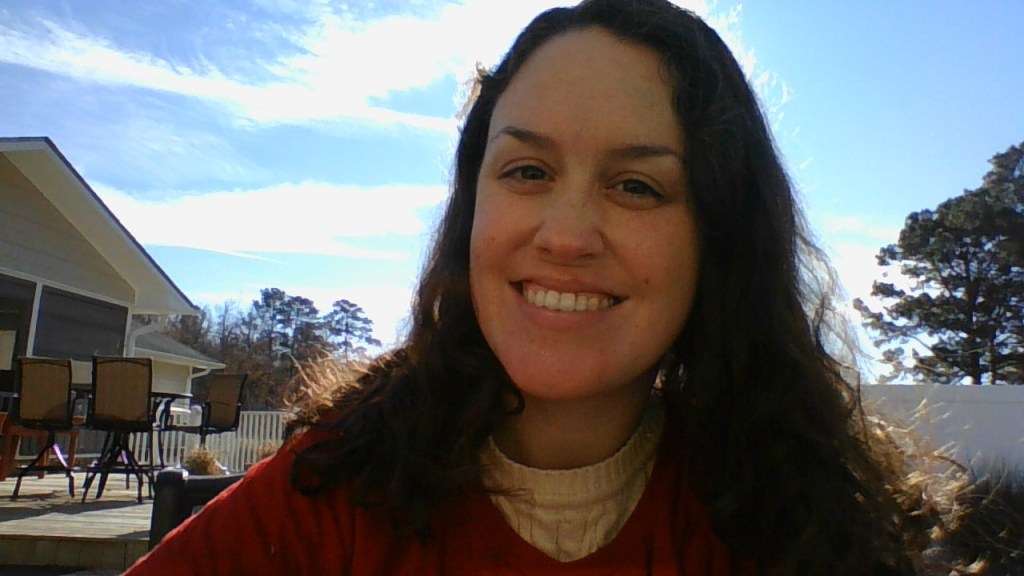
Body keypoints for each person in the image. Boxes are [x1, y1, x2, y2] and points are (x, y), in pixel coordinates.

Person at [125, 0, 927, 574]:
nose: (566, 235)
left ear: (719, 237)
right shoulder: (333, 488)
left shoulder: (796, 522)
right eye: (528, 171)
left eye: (637, 186)